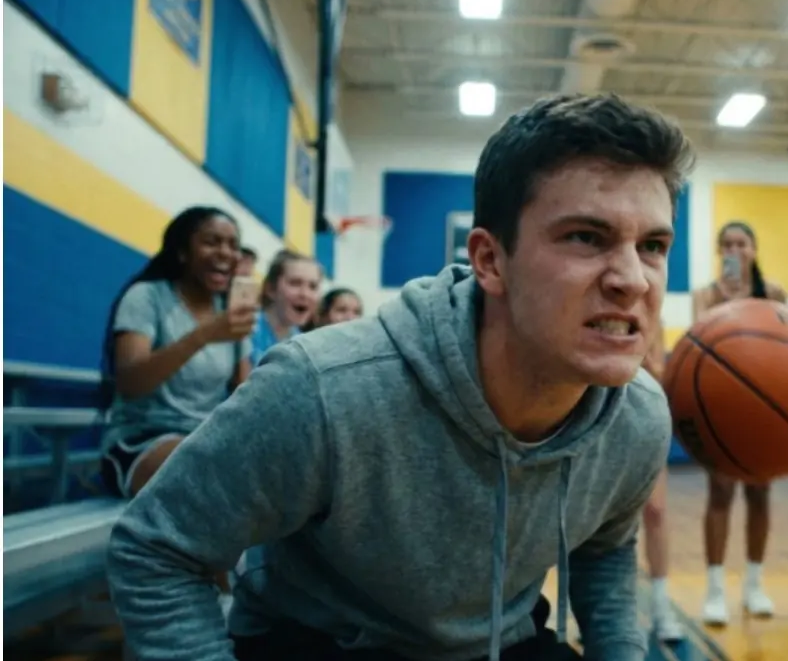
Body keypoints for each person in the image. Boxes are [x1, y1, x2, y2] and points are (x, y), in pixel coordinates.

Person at [105, 93, 696, 661]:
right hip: (321, 644)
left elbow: (606, 550)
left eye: (652, 245)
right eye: (586, 238)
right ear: (490, 260)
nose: (633, 280)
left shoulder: (638, 415)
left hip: (502, 644)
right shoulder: (325, 388)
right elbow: (156, 549)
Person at [98, 206, 255, 501]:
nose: (225, 252)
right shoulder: (147, 297)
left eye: (233, 245)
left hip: (206, 440)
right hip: (141, 441)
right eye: (211, 242)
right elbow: (130, 383)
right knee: (211, 470)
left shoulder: (229, 312)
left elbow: (244, 395)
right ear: (183, 252)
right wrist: (205, 334)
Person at [692, 221, 783, 624]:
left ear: (753, 250)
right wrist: (725, 306)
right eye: (726, 243)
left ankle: (755, 584)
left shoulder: (773, 293)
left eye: (741, 243)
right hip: (722, 405)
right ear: (719, 251)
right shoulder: (705, 295)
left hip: (764, 409)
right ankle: (714, 590)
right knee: (720, 495)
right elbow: (699, 345)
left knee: (760, 496)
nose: (734, 249)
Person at [639, 320, 684, 642]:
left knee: (655, 510)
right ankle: (596, 610)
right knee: (597, 522)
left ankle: (661, 606)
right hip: (594, 411)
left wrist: (633, 355)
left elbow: (659, 373)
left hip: (642, 415)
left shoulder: (649, 317)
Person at [249, 250, 322, 364]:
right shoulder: (246, 329)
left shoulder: (304, 347)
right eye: (295, 283)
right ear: (271, 288)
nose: (305, 294)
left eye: (313, 287)